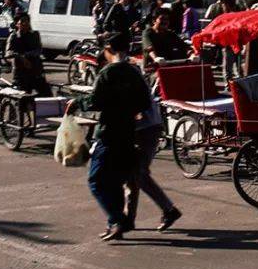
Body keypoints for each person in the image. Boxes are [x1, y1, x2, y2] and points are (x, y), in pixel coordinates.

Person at [66, 31, 180, 241]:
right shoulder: (134, 72)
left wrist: (77, 103)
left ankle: (120, 219)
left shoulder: (108, 73)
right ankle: (118, 223)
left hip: (112, 133)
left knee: (98, 180)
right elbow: (143, 103)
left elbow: (96, 102)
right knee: (123, 177)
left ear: (108, 51)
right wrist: (128, 111)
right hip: (129, 132)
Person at [4, 13, 51, 95]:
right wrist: (21, 57)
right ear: (17, 24)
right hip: (20, 72)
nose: (25, 23)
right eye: (22, 22)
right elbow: (8, 53)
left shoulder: (35, 34)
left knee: (46, 95)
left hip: (36, 69)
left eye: (26, 21)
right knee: (23, 97)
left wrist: (26, 55)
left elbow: (39, 50)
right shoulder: (13, 36)